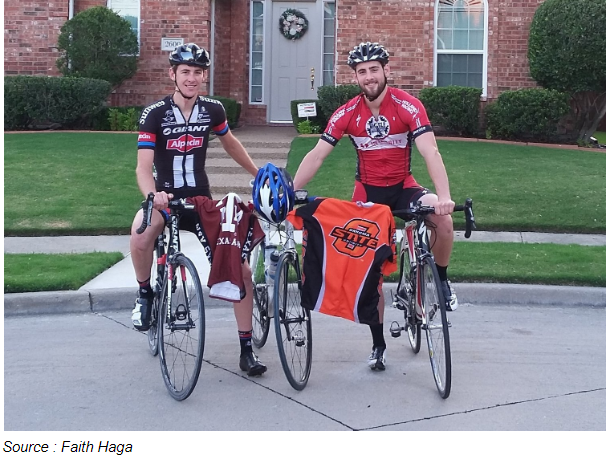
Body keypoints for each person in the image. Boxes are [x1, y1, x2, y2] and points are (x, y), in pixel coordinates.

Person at [292, 42, 457, 372]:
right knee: (370, 274)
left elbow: (430, 151)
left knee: (445, 222)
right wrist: (291, 190)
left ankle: (441, 279)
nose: (369, 77)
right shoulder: (348, 113)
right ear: (356, 77)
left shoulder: (408, 106)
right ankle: (378, 343)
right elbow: (317, 154)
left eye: (374, 69)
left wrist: (443, 197)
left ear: (387, 71)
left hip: (404, 188)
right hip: (367, 195)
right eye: (362, 72)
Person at [130, 43, 267, 376]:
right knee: (139, 233)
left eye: (197, 73)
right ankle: (145, 292)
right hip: (165, 199)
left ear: (204, 76)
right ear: (172, 75)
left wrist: (257, 172)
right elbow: (143, 168)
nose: (192, 79)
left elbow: (230, 142)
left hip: (200, 200)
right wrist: (153, 197)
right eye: (185, 72)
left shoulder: (213, 110)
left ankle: (246, 349)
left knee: (242, 270)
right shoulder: (155, 114)